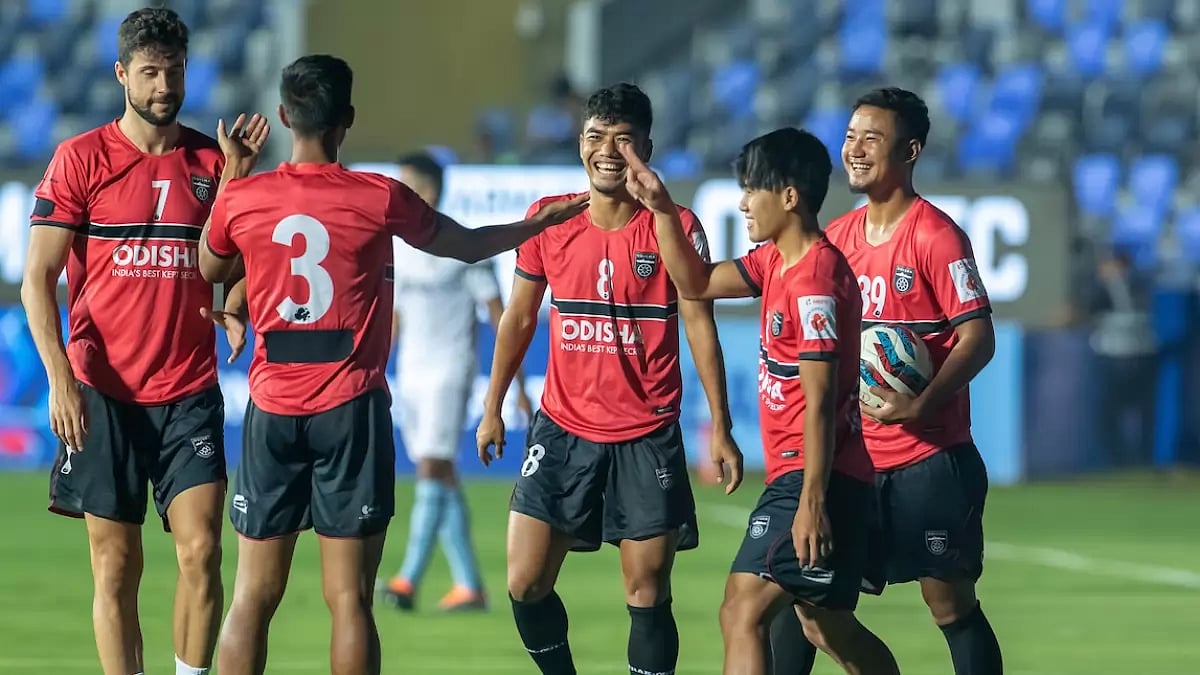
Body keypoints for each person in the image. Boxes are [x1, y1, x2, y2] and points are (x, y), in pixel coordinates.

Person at [198, 54, 586, 675]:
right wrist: (531, 225)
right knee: (350, 600)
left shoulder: (247, 197)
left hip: (272, 408)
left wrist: (232, 178)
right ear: (348, 119)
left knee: (251, 596)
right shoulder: (378, 197)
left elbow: (212, 268)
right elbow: (464, 246)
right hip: (350, 409)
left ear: (281, 115)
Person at [476, 82, 744, 675]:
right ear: (580, 144)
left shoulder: (673, 224)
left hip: (646, 434)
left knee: (646, 593)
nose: (607, 151)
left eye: (623, 141)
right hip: (564, 428)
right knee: (524, 581)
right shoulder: (550, 220)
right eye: (596, 137)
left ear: (646, 148)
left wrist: (720, 428)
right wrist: (493, 404)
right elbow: (520, 317)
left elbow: (699, 321)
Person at [20, 8, 257, 675]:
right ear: (122, 73)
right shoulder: (80, 159)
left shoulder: (213, 164)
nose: (163, 85)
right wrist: (60, 378)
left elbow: (235, 265)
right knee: (115, 563)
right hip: (103, 392)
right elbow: (36, 281)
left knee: (203, 550)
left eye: (174, 70)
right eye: (150, 72)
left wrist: (233, 304)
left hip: (188, 390)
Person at [627, 127, 899, 674]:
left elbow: (820, 403)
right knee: (827, 625)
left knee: (741, 609)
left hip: (816, 479)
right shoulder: (775, 261)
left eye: (753, 189)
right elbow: (696, 281)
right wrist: (660, 209)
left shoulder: (816, 279)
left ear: (790, 196)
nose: (743, 202)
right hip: (808, 478)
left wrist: (812, 502)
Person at [772, 87, 1005, 675]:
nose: (854, 149)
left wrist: (920, 403)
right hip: (854, 464)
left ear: (911, 150)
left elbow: (979, 337)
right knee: (802, 595)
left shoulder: (936, 236)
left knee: (948, 602)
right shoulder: (838, 240)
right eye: (850, 137)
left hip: (929, 461)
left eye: (871, 138)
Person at [381, 151, 534, 612]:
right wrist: (373, 369)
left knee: (432, 467)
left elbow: (502, 319)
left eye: (407, 184)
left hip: (450, 368)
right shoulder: (400, 246)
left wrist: (518, 386)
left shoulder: (464, 247)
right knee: (442, 475)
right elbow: (396, 318)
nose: (400, 193)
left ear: (427, 191)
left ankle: (407, 580)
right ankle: (469, 585)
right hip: (411, 371)